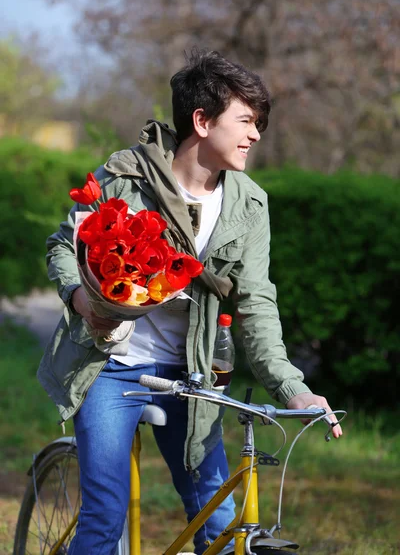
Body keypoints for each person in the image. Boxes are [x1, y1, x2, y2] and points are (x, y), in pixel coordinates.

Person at [38, 49, 342, 555]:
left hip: (192, 377)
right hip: (114, 366)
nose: (256, 135)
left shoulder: (250, 204)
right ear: (201, 121)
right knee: (103, 519)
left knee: (220, 522)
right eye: (246, 121)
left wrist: (293, 389)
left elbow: (258, 302)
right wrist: (81, 300)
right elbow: (62, 247)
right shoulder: (125, 178)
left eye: (259, 123)